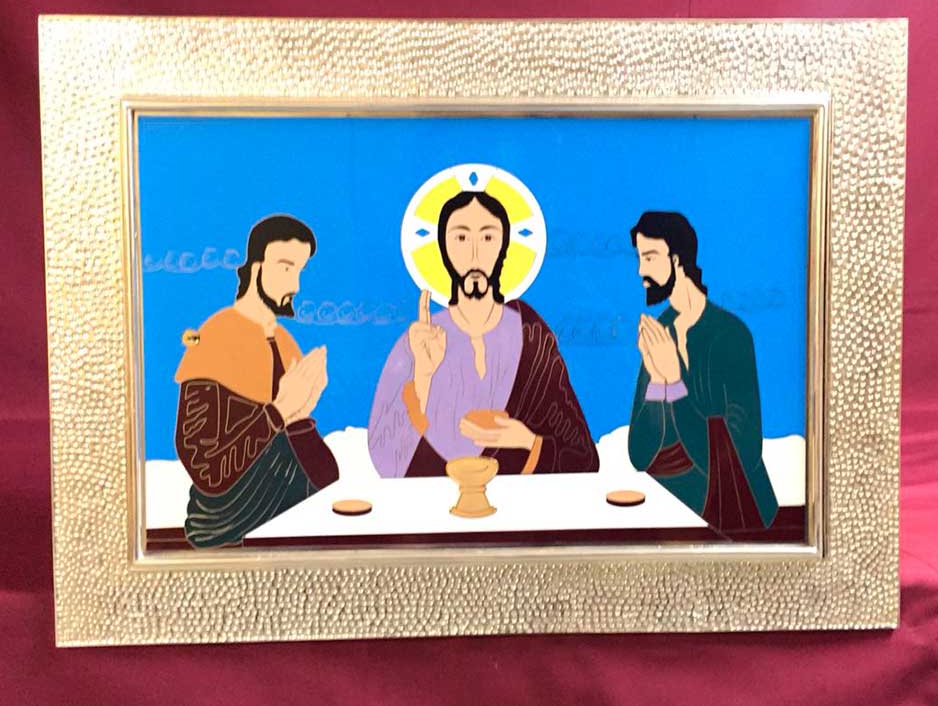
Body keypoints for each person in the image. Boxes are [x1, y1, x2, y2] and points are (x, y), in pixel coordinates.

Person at [368, 190, 598, 477]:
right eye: (461, 238)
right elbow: (386, 460)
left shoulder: (530, 334)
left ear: (504, 248)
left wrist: (526, 440)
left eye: (488, 237)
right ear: (443, 250)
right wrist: (423, 376)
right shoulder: (419, 341)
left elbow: (583, 456)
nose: (474, 254)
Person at [174, 214, 339, 547]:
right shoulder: (214, 340)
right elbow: (207, 470)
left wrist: (301, 417)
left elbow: (322, 476)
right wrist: (278, 413)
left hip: (291, 527)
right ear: (255, 268)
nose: (296, 286)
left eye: (300, 271)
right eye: (286, 268)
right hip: (226, 534)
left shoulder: (286, 344)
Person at [627, 211, 778, 532]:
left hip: (732, 512)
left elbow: (742, 452)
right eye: (639, 259)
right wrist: (658, 382)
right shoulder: (661, 331)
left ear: (677, 259)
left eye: (649, 257)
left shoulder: (731, 335)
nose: (641, 271)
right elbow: (640, 454)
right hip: (665, 506)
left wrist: (675, 382)